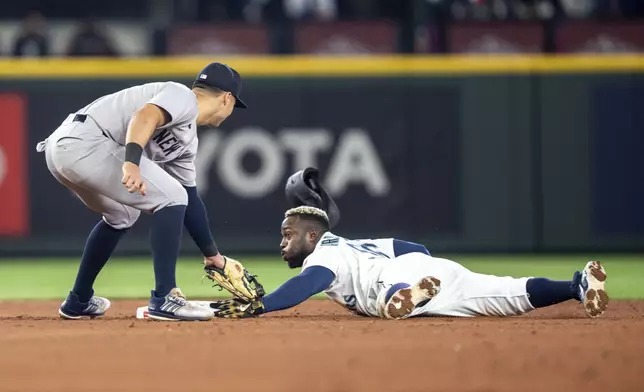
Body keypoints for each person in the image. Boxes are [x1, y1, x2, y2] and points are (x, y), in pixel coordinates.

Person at [209, 170, 608, 319]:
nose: (282, 243)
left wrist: (261, 305)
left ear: (312, 236)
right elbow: (416, 247)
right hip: (432, 273)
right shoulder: (358, 245)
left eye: (288, 234)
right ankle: (577, 285)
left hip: (402, 280)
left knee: (389, 297)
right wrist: (425, 275)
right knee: (508, 293)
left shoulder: (327, 252)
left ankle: (402, 296)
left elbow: (306, 284)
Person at [37, 62, 263, 321]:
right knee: (172, 196)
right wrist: (132, 162)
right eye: (234, 105)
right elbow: (144, 117)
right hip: (85, 142)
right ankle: (164, 298)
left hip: (63, 150)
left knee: (124, 215)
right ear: (227, 99)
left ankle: (78, 300)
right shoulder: (182, 97)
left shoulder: (186, 140)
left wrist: (214, 256)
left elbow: (190, 199)